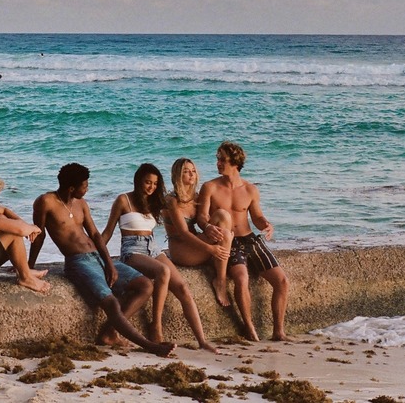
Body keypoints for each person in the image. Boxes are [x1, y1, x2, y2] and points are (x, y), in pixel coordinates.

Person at [28, 163, 176, 357]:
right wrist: (28, 267)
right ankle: (150, 346)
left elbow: (96, 235)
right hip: (77, 262)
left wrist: (109, 264)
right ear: (72, 187)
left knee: (145, 285)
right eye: (85, 185)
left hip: (97, 256)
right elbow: (39, 236)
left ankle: (108, 333)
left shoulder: (81, 203)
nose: (87, 188)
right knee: (111, 303)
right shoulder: (45, 202)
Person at [101, 163, 219, 353]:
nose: (151, 187)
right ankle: (156, 328)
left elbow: (180, 206)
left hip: (153, 247)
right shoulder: (123, 200)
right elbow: (106, 233)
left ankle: (202, 340)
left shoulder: (155, 202)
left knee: (182, 287)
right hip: (132, 250)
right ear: (138, 181)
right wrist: (98, 257)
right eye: (148, 182)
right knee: (162, 271)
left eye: (155, 184)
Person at [197, 142, 292, 342]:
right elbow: (201, 217)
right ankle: (249, 328)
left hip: (249, 238)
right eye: (217, 158)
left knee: (282, 281)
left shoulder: (250, 189)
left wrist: (266, 224)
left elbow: (256, 217)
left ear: (235, 162)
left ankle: (279, 332)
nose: (218, 163)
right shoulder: (210, 187)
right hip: (228, 240)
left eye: (222, 159)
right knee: (241, 279)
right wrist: (207, 227)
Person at [162, 158, 233, 306]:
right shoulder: (171, 200)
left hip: (196, 244)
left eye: (193, 171)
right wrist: (211, 249)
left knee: (222, 215)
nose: (191, 174)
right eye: (186, 172)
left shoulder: (196, 197)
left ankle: (220, 274)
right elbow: (183, 233)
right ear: (177, 175)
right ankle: (220, 281)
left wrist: (208, 227)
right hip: (181, 250)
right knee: (225, 235)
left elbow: (203, 220)